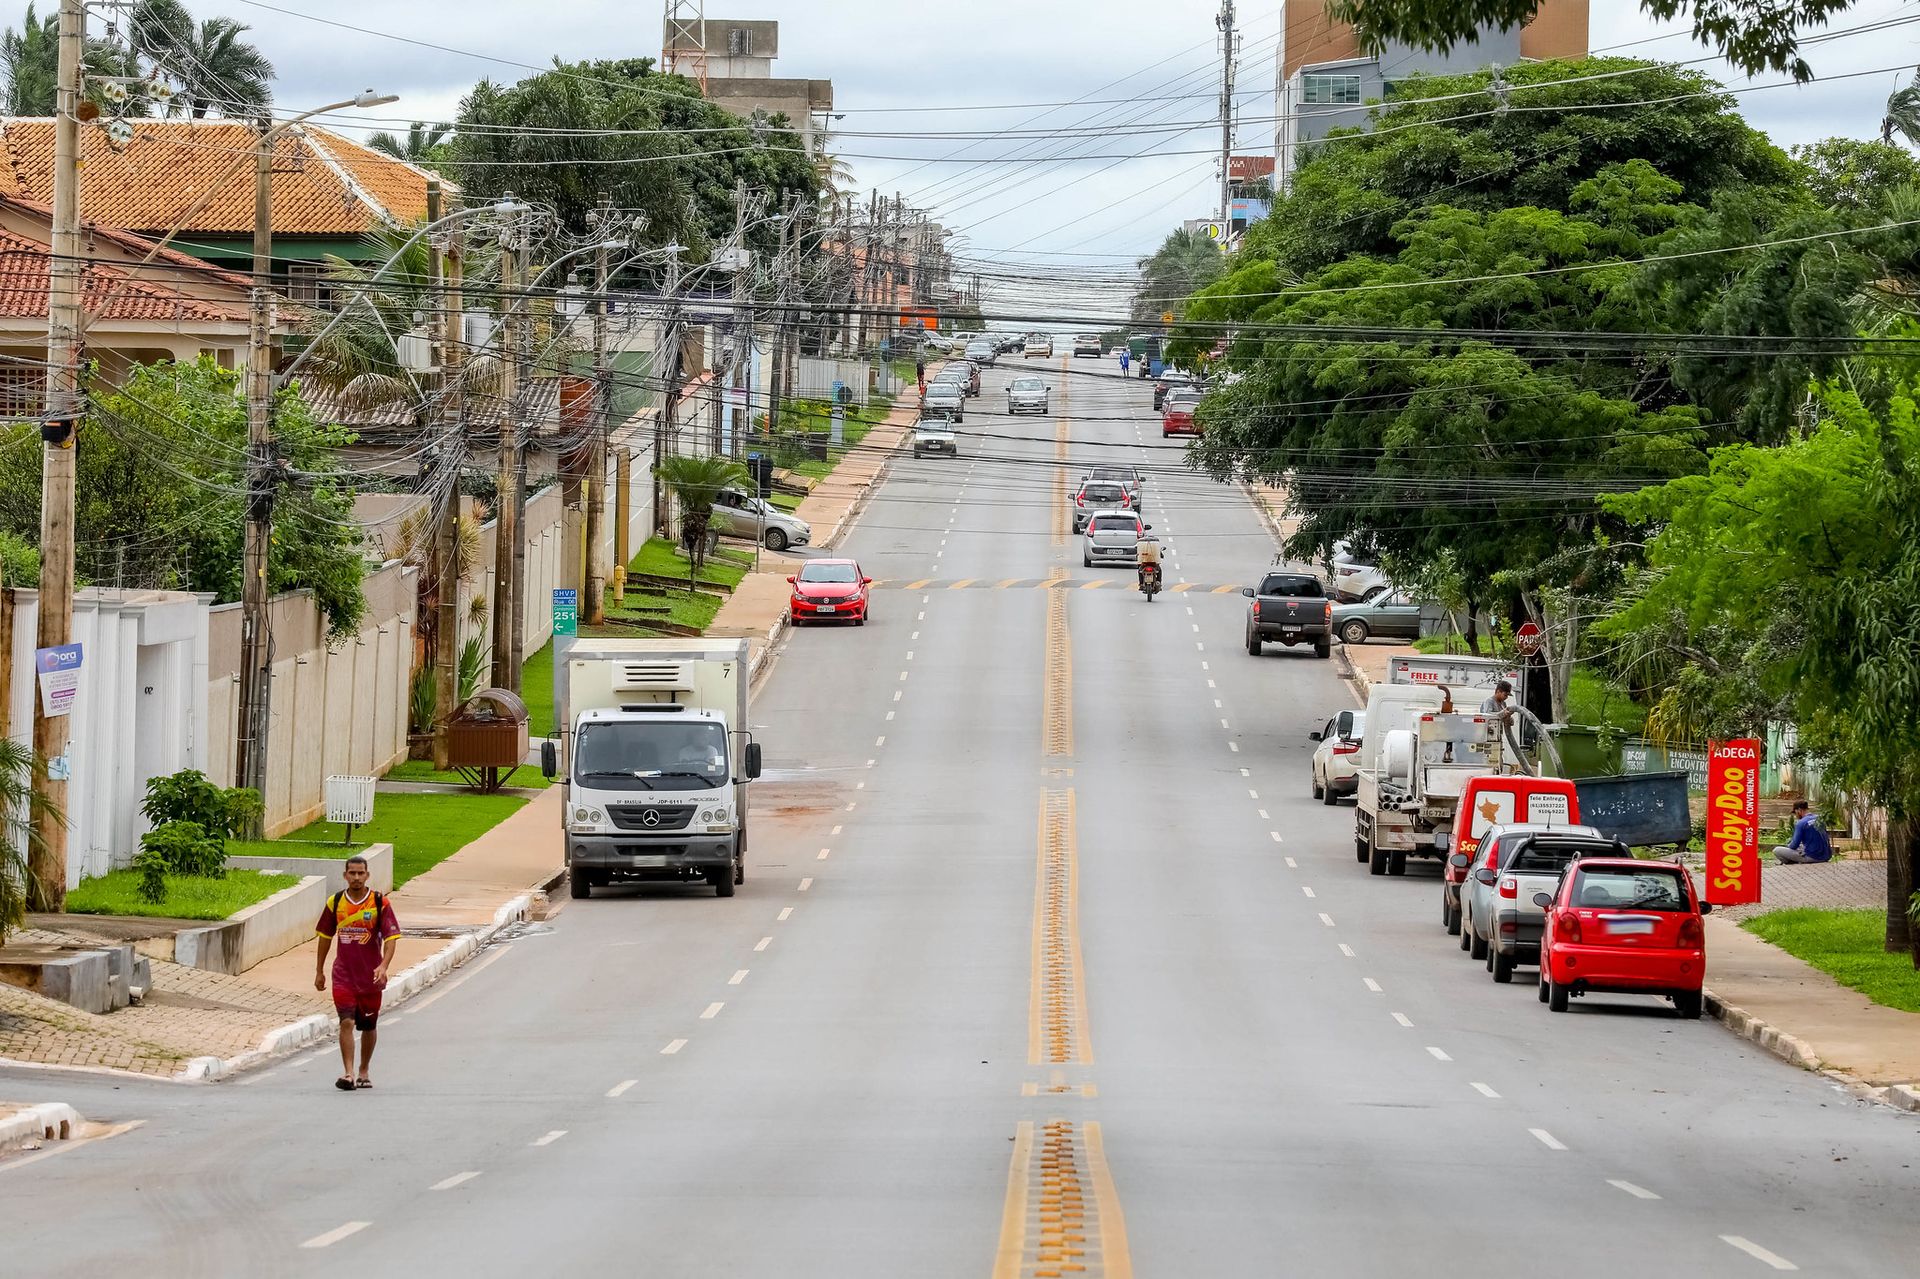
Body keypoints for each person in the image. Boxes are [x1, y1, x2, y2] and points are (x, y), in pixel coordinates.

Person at [315, 855, 401, 1090]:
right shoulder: (335, 902)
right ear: (345, 875)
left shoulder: (378, 903)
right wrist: (319, 971)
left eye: (360, 873)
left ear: (367, 875)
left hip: (370, 978)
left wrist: (383, 966)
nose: (356, 877)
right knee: (346, 1022)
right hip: (343, 975)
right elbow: (324, 937)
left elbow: (391, 938)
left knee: (368, 1026)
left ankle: (364, 1070)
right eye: (351, 873)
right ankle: (348, 1073)